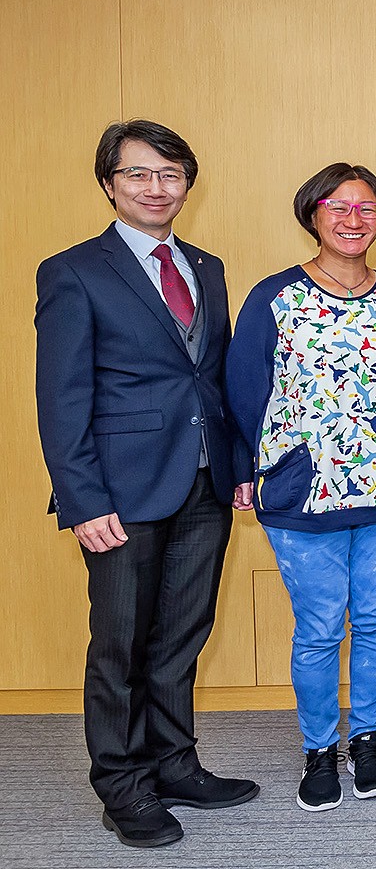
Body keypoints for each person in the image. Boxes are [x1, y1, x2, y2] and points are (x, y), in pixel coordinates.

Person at [35, 120, 258, 848]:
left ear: (187, 184)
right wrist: (81, 499)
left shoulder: (208, 265)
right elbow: (61, 395)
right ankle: (123, 786)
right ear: (109, 183)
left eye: (170, 174)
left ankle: (175, 765)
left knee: (183, 636)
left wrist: (241, 467)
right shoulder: (73, 271)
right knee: (122, 644)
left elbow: (215, 379)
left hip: (204, 482)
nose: (156, 188)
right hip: (120, 491)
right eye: (138, 174)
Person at [226, 163, 376, 812]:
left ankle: (366, 738)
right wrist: (251, 469)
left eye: (367, 207)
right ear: (313, 213)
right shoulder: (275, 295)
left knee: (375, 620)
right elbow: (242, 389)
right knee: (317, 628)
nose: (352, 217)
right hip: (301, 493)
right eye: (338, 205)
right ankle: (319, 748)